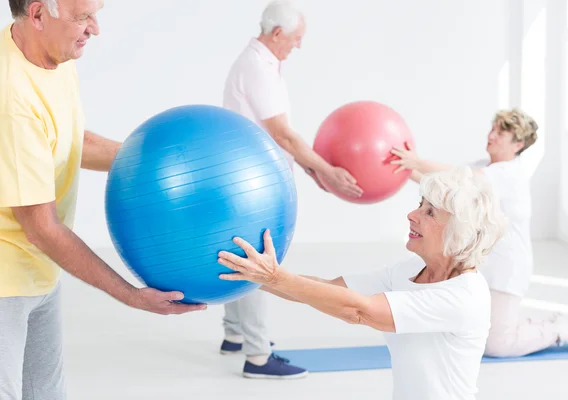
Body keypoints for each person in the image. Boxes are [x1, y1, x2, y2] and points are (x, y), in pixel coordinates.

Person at [0, 1, 205, 399]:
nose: (94, 29)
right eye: (82, 18)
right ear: (39, 15)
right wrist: (130, 295)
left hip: (40, 269)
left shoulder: (52, 57)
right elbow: (42, 228)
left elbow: (67, 141)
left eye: (95, 15)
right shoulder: (9, 96)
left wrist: (157, 164)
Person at [217, 167, 506, 399]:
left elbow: (359, 311)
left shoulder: (464, 297)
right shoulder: (411, 271)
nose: (412, 214)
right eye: (420, 204)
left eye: (430, 212)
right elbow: (328, 289)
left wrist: (273, 276)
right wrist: (248, 273)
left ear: (460, 232)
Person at [218, 0, 361, 379]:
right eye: (296, 39)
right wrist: (327, 170)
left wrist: (311, 171)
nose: (298, 46)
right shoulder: (257, 67)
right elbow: (282, 133)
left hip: (254, 175)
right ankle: (258, 357)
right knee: (259, 262)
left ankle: (234, 336)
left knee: (241, 254)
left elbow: (276, 135)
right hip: (255, 181)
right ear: (277, 33)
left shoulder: (263, 63)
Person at [389, 107, 568, 357]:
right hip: (479, 262)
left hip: (507, 268)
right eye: (493, 129)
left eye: (501, 133)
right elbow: (442, 184)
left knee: (498, 345)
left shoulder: (509, 175)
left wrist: (416, 161)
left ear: (518, 144)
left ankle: (560, 329)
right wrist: (400, 170)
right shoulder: (481, 167)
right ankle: (520, 323)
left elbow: (458, 177)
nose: (492, 135)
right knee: (466, 324)